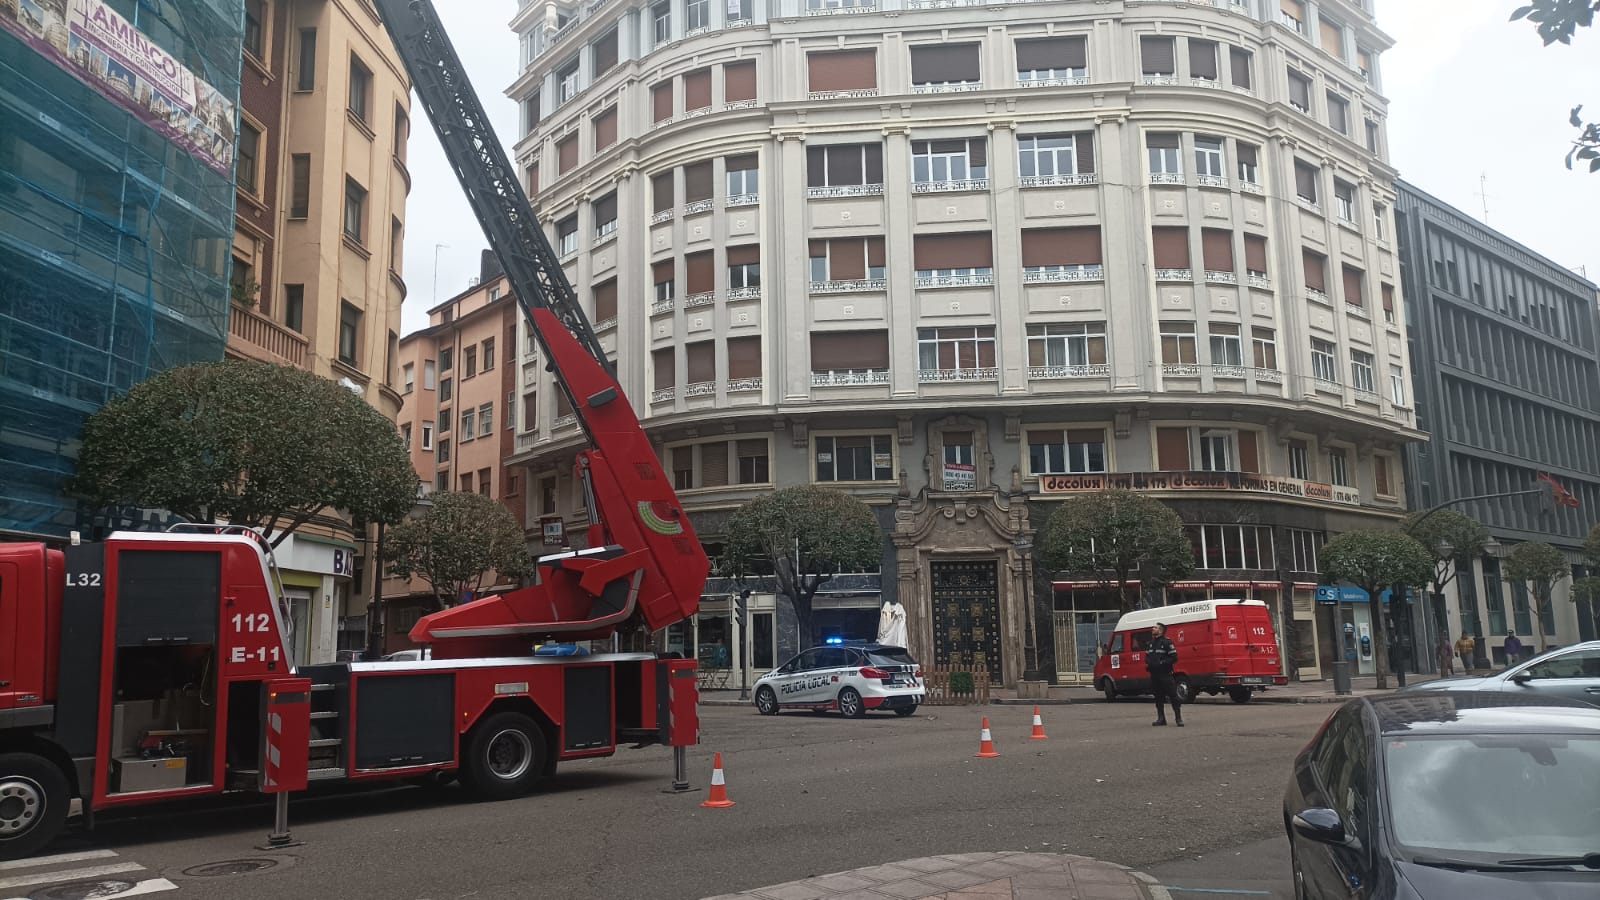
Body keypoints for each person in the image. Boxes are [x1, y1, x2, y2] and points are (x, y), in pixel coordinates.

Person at [1145, 623, 1183, 727]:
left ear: (1161, 631)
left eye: (1155, 628)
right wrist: (1150, 663)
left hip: (1165, 674)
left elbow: (1174, 658)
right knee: (1158, 697)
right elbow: (1147, 656)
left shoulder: (1167, 642)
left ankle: (1178, 718)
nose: (1153, 628)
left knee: (1173, 696)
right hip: (1154, 675)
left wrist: (1161, 663)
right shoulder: (1150, 643)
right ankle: (1161, 719)